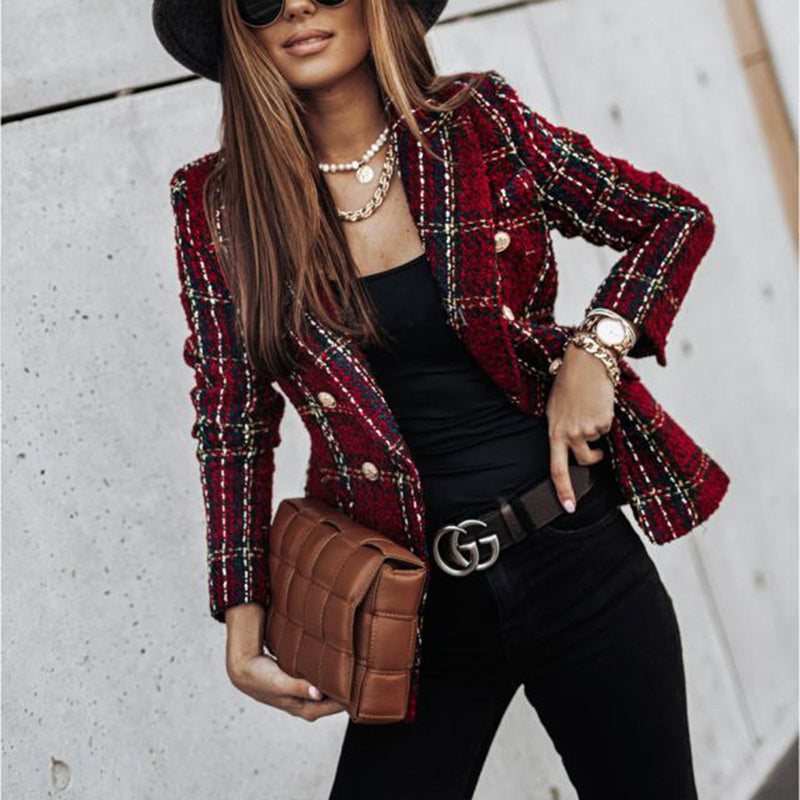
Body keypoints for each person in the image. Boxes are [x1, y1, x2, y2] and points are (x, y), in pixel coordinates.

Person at [153, 0, 731, 796]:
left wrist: (594, 351)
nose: (295, 6)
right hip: (412, 611)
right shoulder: (215, 207)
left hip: (579, 564)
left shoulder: (476, 126)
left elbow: (671, 219)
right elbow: (232, 417)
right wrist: (241, 609)